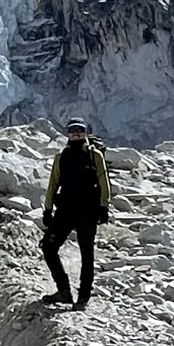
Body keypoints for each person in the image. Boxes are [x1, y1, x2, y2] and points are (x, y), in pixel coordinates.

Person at [41, 119, 112, 309]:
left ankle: (83, 298)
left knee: (87, 253)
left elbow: (104, 181)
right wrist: (47, 209)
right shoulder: (61, 157)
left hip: (88, 210)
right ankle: (64, 290)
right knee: (48, 247)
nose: (76, 134)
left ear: (86, 132)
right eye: (73, 130)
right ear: (67, 133)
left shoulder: (95, 155)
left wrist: (104, 206)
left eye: (80, 130)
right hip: (66, 209)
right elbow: (53, 184)